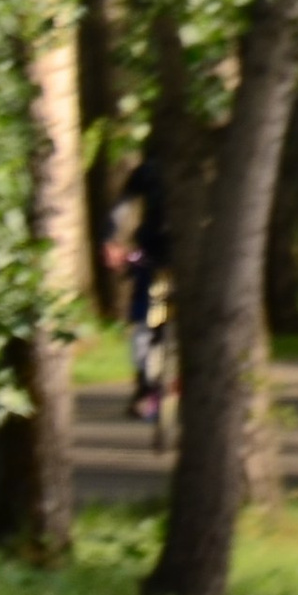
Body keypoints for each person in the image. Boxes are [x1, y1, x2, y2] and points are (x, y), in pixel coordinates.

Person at [103, 157, 169, 422]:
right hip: (152, 253)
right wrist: (111, 240)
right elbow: (123, 205)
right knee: (143, 321)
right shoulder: (150, 169)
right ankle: (145, 386)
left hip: (192, 255)